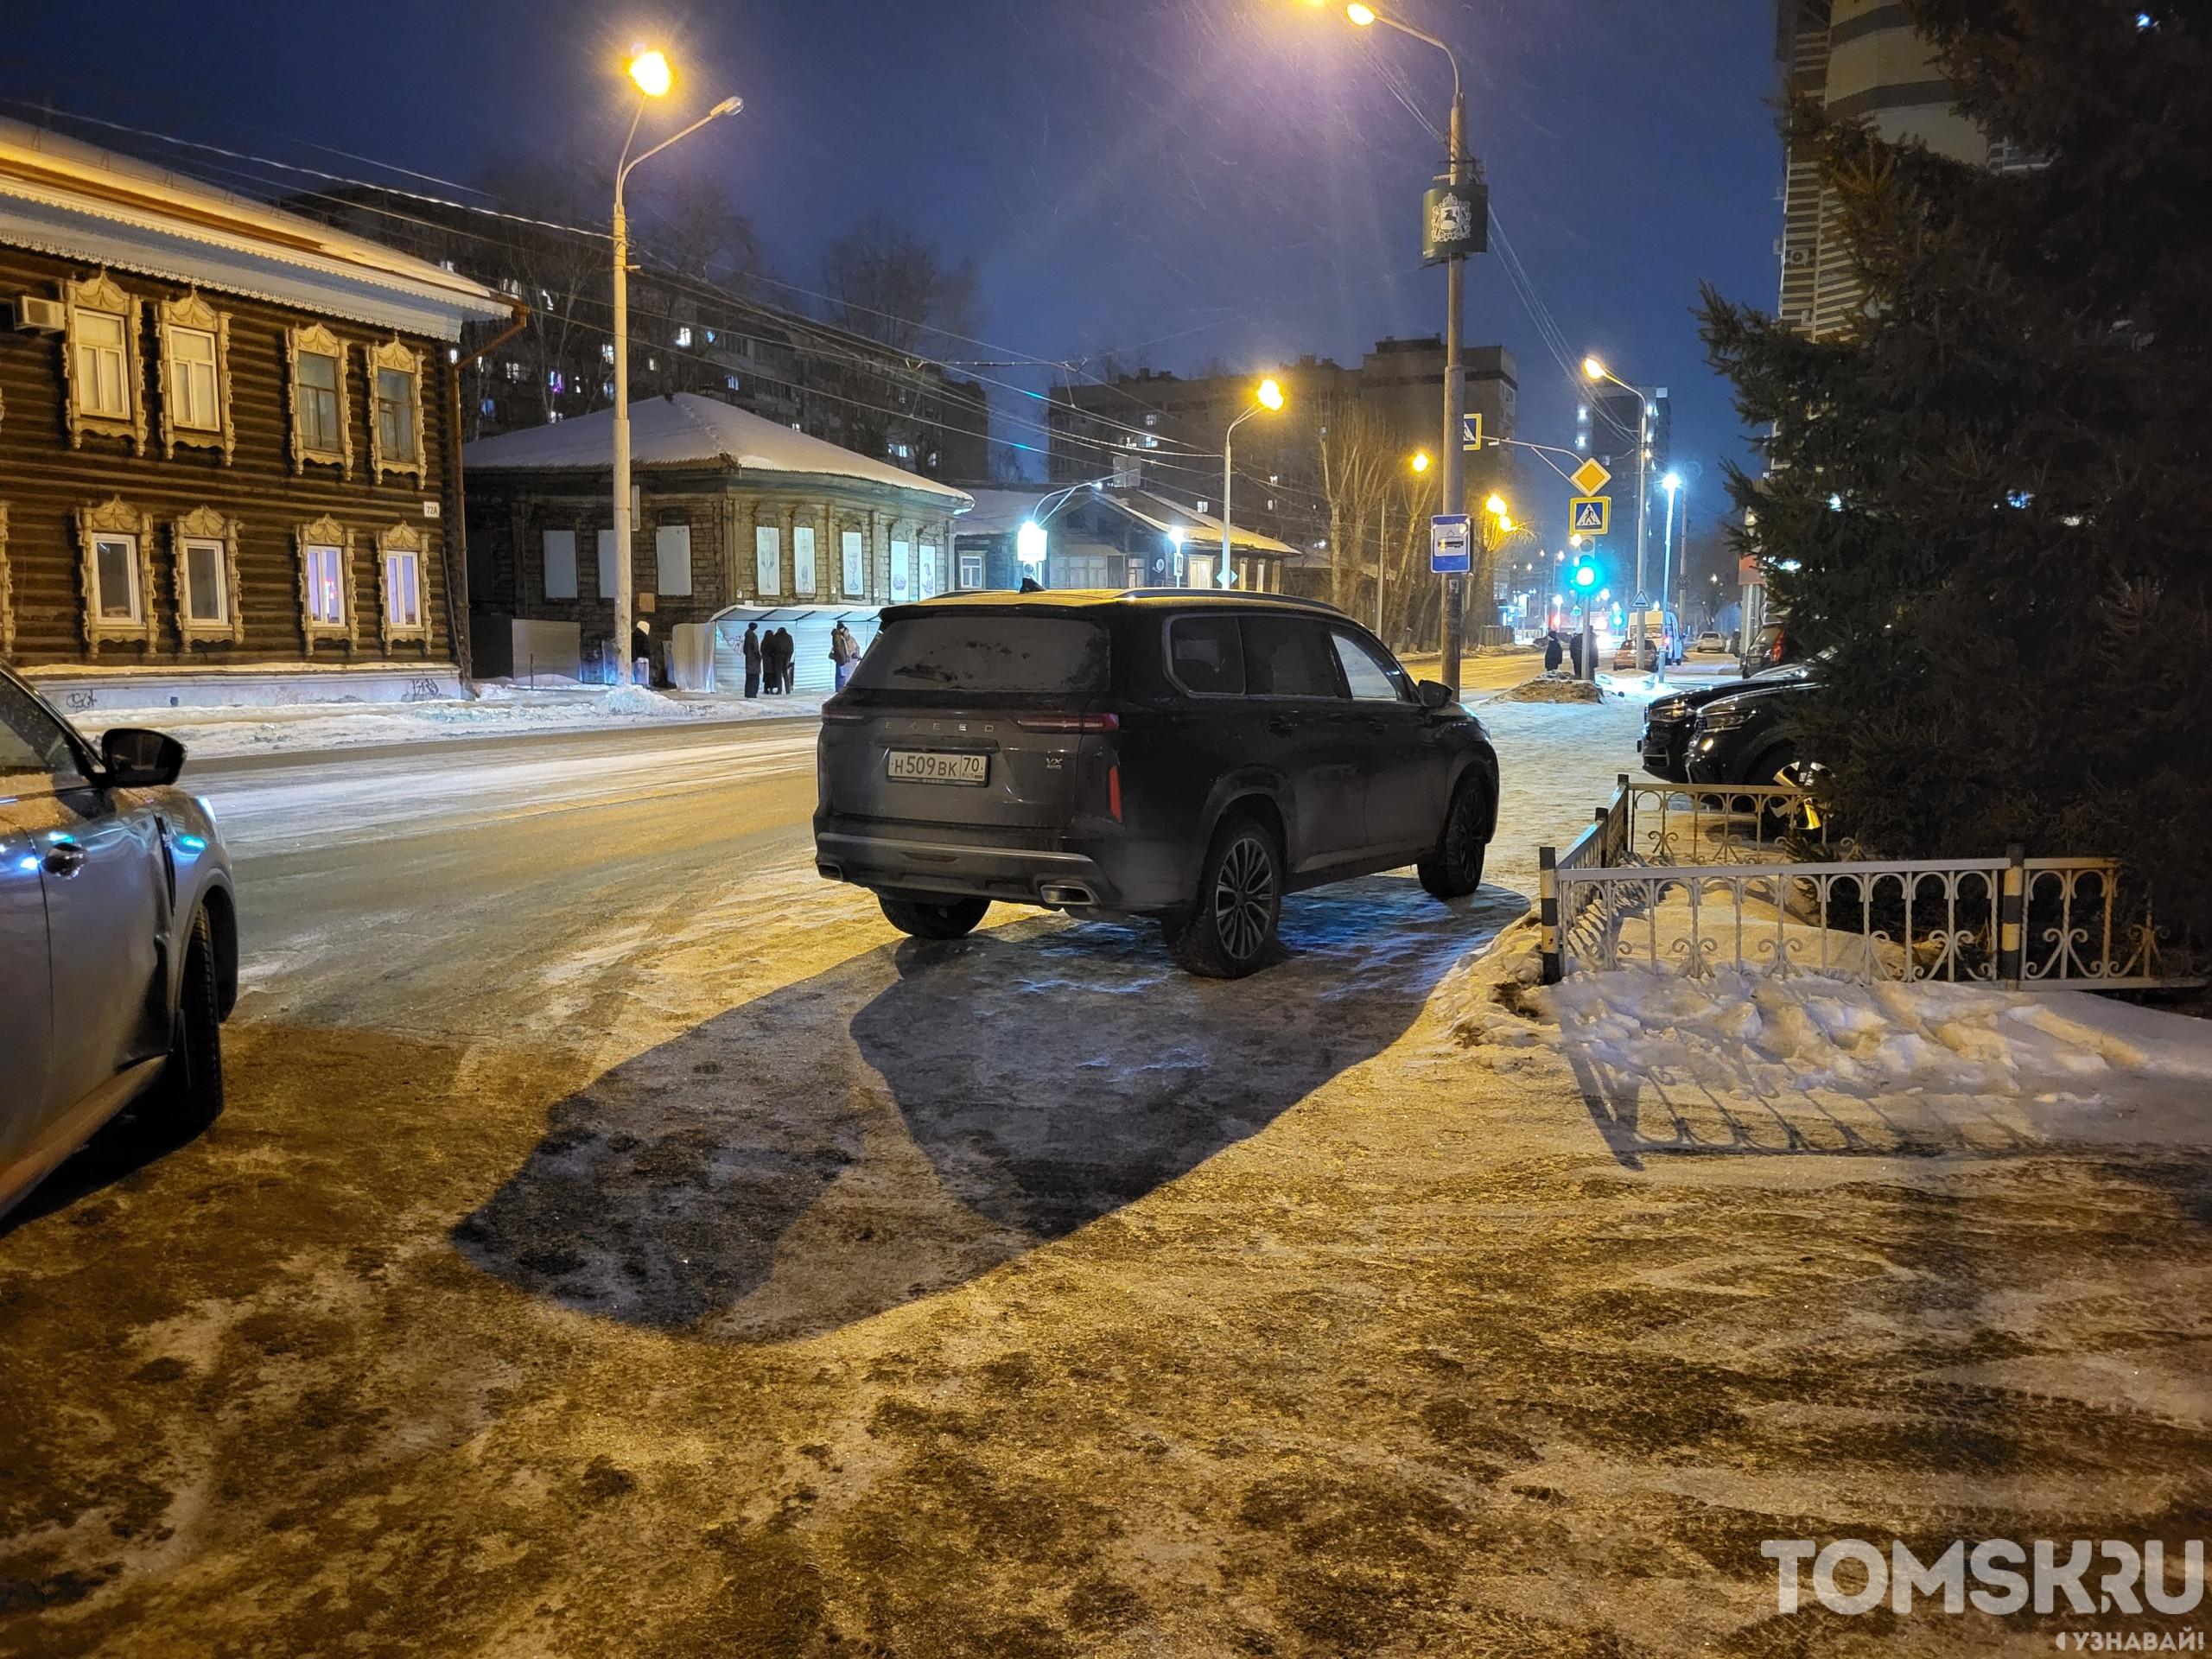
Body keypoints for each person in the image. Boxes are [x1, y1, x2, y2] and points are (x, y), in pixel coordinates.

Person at [830, 622, 860, 690]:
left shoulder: (846, 637)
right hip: (844, 659)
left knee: (843, 675)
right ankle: (841, 689)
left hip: (846, 659)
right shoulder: (839, 637)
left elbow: (854, 647)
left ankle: (841, 689)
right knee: (843, 676)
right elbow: (839, 648)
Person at [741, 622, 761, 698]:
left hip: (748, 660)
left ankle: (747, 693)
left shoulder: (747, 637)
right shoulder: (753, 637)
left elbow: (745, 650)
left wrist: (748, 656)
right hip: (754, 661)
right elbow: (755, 649)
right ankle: (753, 693)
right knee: (755, 678)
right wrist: (759, 657)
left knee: (749, 678)